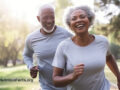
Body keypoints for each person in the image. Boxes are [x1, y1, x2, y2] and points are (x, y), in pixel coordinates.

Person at [52, 5, 120, 90]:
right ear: (70, 25)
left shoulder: (102, 41)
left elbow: (109, 58)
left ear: (90, 20)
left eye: (82, 17)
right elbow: (55, 80)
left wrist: (118, 77)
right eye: (74, 18)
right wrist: (72, 76)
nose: (79, 20)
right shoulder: (63, 46)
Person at [23, 4, 72, 90]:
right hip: (46, 87)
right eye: (45, 17)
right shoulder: (31, 38)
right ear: (38, 19)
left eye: (52, 17)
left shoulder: (66, 34)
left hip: (68, 86)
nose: (49, 21)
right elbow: (26, 55)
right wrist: (30, 66)